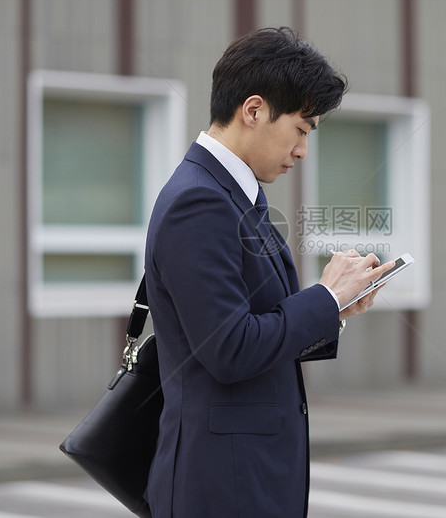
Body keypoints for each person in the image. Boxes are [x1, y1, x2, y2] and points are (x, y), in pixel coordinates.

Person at [143, 27, 394, 518]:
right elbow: (229, 349)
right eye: (302, 130)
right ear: (253, 111)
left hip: (243, 476)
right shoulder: (200, 201)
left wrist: (335, 309)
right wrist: (323, 297)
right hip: (221, 485)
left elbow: (260, 323)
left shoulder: (234, 193)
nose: (303, 150)